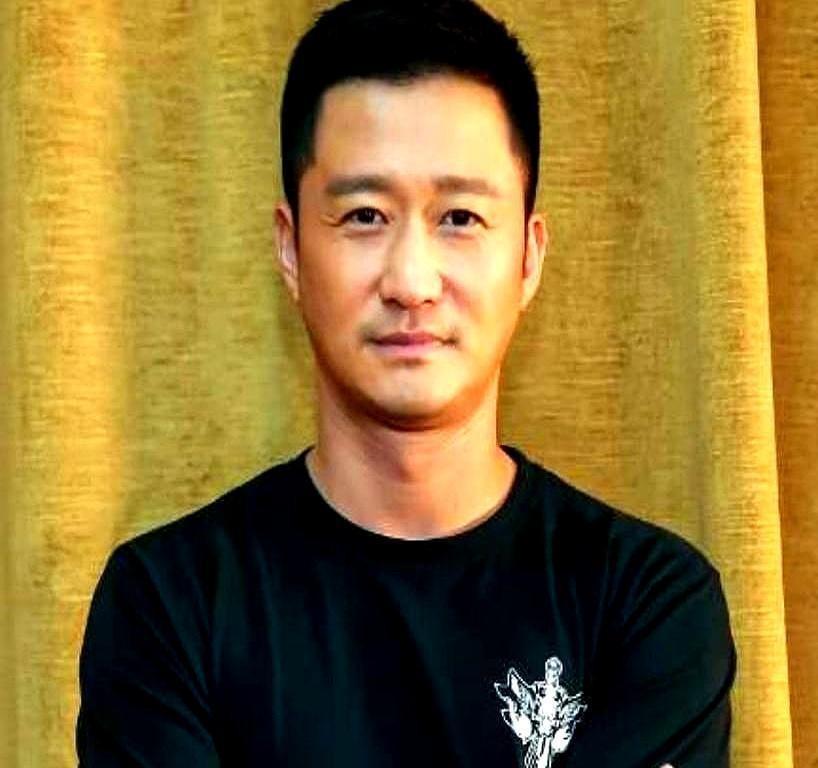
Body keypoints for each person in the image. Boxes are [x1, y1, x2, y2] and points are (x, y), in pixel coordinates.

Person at [75, 0, 736, 766]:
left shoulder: (649, 605)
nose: (412, 282)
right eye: (364, 216)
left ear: (529, 256)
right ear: (290, 250)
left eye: (460, 217)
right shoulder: (169, 607)